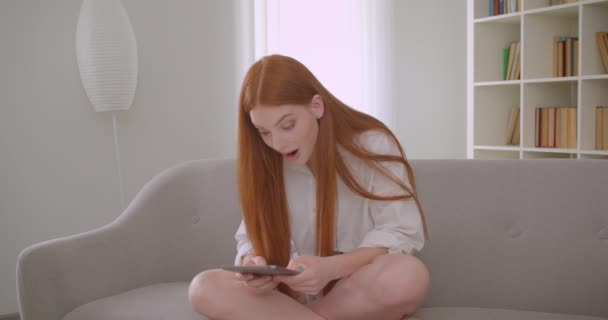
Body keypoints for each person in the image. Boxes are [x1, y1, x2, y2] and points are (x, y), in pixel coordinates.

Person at [188, 54, 430, 320]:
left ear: (316, 106)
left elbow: (401, 232)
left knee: (408, 275)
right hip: (289, 296)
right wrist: (253, 265)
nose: (277, 143)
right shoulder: (266, 162)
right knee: (203, 287)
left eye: (287, 125)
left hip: (355, 291)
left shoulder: (372, 145)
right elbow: (251, 238)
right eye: (264, 132)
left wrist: (332, 268)